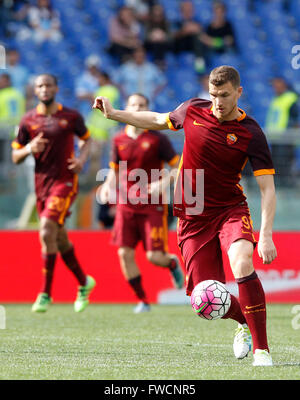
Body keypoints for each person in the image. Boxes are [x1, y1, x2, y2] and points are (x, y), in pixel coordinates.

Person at [93, 66, 277, 366]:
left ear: (239, 93)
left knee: (242, 261)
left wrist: (266, 235)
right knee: (204, 298)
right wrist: (114, 113)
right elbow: (154, 119)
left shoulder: (251, 133)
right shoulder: (192, 109)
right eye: (214, 94)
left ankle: (262, 350)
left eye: (225, 95)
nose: (218, 101)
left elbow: (268, 189)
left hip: (231, 210)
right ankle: (243, 323)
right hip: (192, 216)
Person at [11, 74, 96, 313]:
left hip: (65, 182)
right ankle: (83, 282)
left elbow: (88, 140)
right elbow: (15, 156)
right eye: (40, 85)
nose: (44, 89)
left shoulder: (70, 117)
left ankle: (45, 293)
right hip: (41, 186)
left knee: (47, 228)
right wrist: (29, 148)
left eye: (48, 84)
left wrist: (81, 160)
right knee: (58, 237)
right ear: (35, 90)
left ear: (56, 88)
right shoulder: (28, 120)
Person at [98, 93, 183, 313]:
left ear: (148, 108)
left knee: (154, 257)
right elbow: (115, 170)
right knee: (124, 253)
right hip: (126, 205)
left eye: (142, 105)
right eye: (134, 104)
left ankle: (171, 263)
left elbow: (178, 166)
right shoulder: (118, 139)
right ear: (126, 107)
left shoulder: (157, 138)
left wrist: (162, 184)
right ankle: (143, 301)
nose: (137, 108)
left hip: (152, 206)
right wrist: (108, 185)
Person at [265, 76, 299, 185]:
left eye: (277, 84)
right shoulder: (277, 98)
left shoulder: (291, 98)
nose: (275, 87)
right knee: (276, 166)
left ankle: (286, 189)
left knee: (283, 167)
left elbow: (296, 119)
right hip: (276, 139)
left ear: (284, 84)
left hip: (285, 139)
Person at [75, 54, 102, 119]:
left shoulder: (101, 78)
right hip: (87, 111)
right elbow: (79, 94)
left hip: (99, 112)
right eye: (91, 66)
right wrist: (92, 96)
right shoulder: (83, 79)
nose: (93, 68)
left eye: (95, 67)